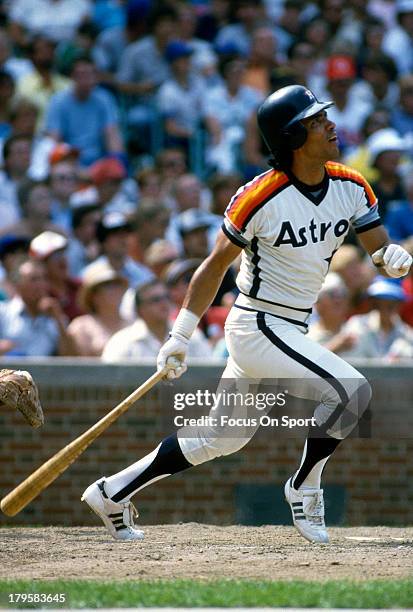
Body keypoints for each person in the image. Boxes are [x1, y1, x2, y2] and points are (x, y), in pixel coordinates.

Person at [81, 84, 412, 543]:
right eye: (318, 122)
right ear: (294, 136)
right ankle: (304, 486)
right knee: (351, 392)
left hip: (290, 327)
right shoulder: (260, 195)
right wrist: (180, 334)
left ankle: (111, 492)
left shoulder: (351, 185)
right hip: (256, 323)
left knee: (221, 437)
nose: (331, 126)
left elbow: (377, 250)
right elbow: (213, 266)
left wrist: (390, 260)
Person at [101, 278, 212, 362]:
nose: (164, 303)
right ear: (140, 309)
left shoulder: (192, 335)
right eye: (156, 300)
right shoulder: (121, 342)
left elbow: (210, 373)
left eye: (166, 297)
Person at [67, 264, 128, 357]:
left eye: (117, 285)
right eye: (108, 286)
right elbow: (79, 366)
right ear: (94, 296)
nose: (116, 290)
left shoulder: (133, 322)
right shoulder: (80, 327)